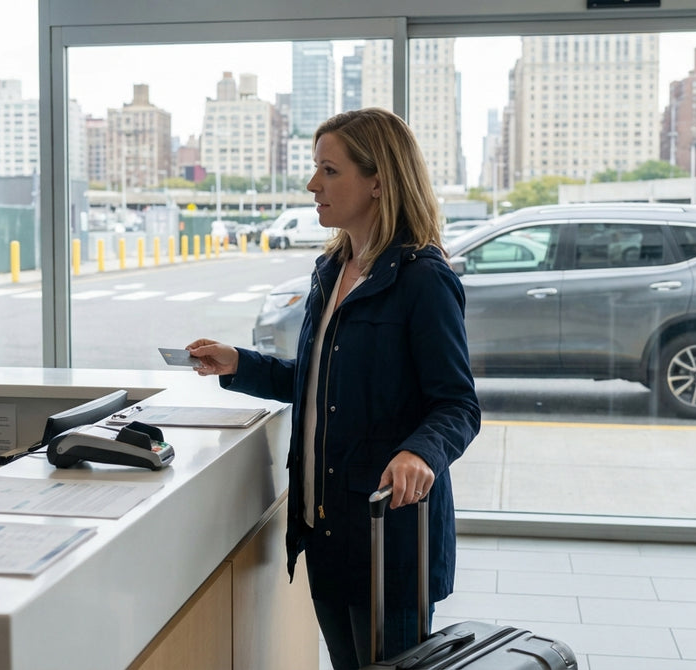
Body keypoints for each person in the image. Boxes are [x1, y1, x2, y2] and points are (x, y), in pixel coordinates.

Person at [187, 108, 480, 669]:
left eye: (329, 170)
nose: (312, 185)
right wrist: (237, 364)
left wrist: (421, 450)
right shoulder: (331, 270)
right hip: (325, 529)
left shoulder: (423, 279)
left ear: (378, 181)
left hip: (387, 534)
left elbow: (458, 405)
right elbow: (316, 382)